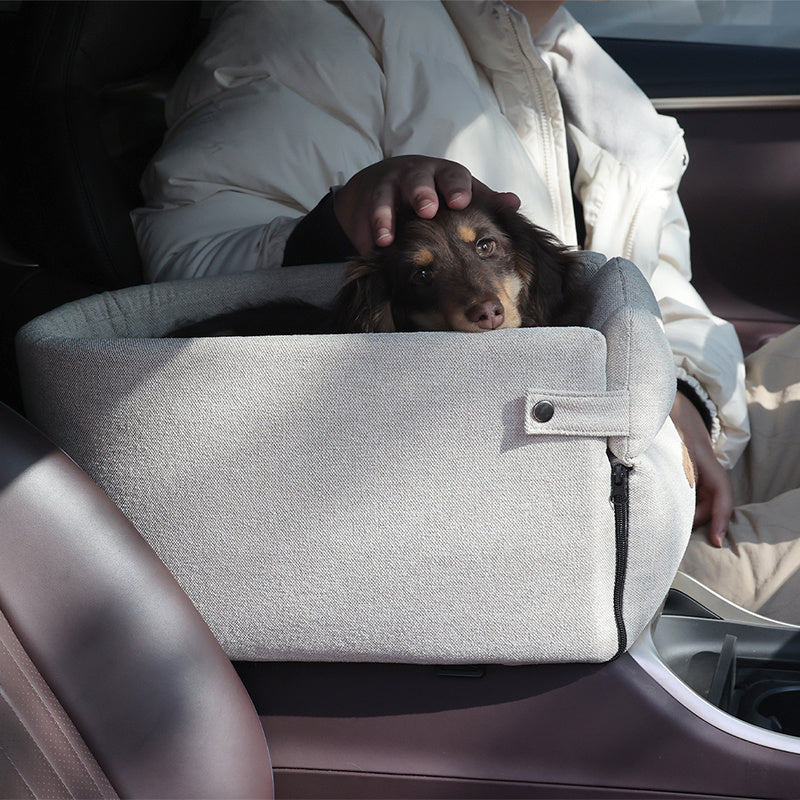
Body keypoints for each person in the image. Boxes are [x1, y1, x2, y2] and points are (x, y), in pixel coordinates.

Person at [131, 1, 799, 623]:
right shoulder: (316, 29)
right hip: (561, 517)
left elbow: (666, 294)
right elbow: (193, 266)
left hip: (676, 439)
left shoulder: (575, 66)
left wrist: (685, 392)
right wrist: (337, 224)